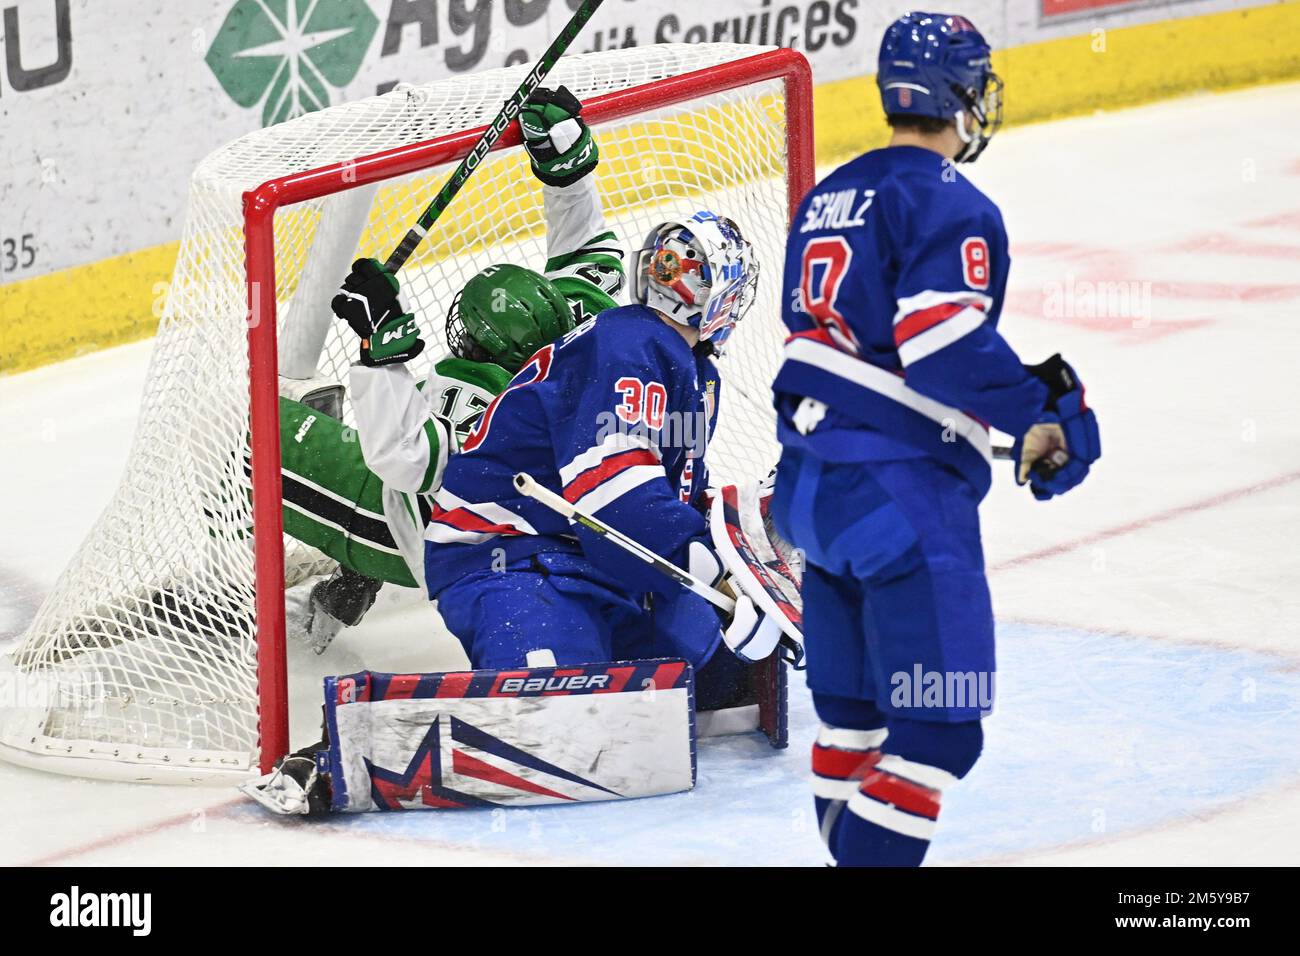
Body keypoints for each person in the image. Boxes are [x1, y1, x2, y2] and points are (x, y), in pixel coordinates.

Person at [769, 12, 1101, 866]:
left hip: (810, 492)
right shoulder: (949, 200)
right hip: (899, 505)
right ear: (959, 93)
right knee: (941, 737)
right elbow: (937, 340)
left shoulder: (827, 195)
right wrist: (1038, 406)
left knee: (853, 723)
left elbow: (830, 345)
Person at [275, 86, 623, 652]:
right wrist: (566, 170)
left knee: (245, 441)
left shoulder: (479, 405)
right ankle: (351, 576)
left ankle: (263, 578)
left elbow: (405, 458)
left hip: (414, 532)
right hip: (540, 524)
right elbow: (588, 252)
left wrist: (380, 351)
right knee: (371, 421)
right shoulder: (582, 328)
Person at [422, 208, 782, 700]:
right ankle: (323, 761)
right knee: (559, 709)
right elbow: (615, 497)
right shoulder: (628, 346)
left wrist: (742, 576)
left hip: (601, 560)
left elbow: (678, 489)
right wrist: (719, 577)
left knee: (722, 678)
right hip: (513, 557)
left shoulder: (695, 373)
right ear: (721, 298)